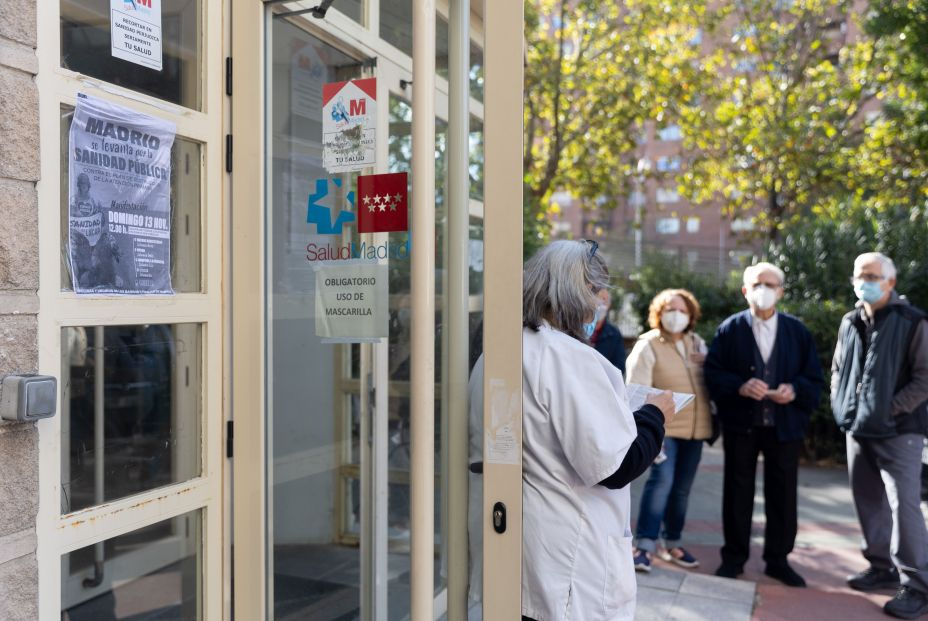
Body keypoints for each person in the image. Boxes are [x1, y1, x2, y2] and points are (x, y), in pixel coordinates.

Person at [467, 239, 675, 620]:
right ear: (576, 292)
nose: (600, 304)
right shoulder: (569, 358)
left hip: (512, 541)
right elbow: (617, 466)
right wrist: (653, 415)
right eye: (597, 292)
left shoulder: (498, 352)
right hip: (564, 561)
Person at [704, 262, 823, 587]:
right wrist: (740, 386)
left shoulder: (797, 331)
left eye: (771, 285)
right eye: (758, 284)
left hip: (784, 427)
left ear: (781, 292)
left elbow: (814, 377)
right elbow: (713, 374)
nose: (764, 290)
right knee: (736, 491)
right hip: (742, 425)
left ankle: (778, 560)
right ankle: (734, 558)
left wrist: (794, 389)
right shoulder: (730, 329)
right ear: (745, 290)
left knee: (783, 494)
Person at [831, 252, 928, 619]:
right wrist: (842, 405)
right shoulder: (851, 320)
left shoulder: (912, 321)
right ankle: (880, 566)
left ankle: (918, 587)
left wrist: (889, 410)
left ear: (891, 281)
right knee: (867, 501)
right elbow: (839, 369)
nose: (864, 281)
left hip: (899, 431)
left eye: (872, 275)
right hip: (858, 428)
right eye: (859, 274)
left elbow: (924, 378)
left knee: (905, 506)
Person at [627, 288, 712, 572]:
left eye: (682, 310)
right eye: (670, 309)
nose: (676, 315)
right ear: (659, 313)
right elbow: (636, 389)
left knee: (682, 490)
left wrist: (707, 362)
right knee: (661, 483)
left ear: (691, 315)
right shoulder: (648, 344)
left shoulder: (696, 343)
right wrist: (645, 428)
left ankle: (672, 542)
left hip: (696, 430)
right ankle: (645, 545)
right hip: (664, 428)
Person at [591, 288, 627, 376]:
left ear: (609, 305)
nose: (600, 305)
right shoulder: (576, 329)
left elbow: (619, 366)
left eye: (604, 301)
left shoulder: (614, 333)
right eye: (598, 299)